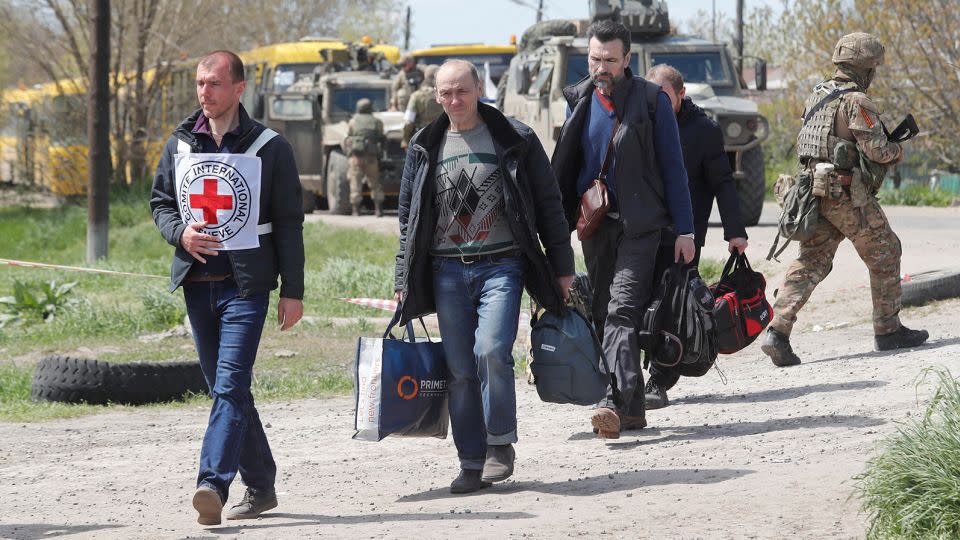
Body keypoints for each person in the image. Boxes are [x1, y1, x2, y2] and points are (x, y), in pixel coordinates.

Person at [394, 59, 574, 493]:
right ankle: (470, 462)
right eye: (445, 93)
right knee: (458, 369)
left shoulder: (515, 138)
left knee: (492, 350)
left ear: (479, 90)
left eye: (462, 91)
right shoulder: (424, 145)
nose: (454, 101)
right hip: (446, 269)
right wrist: (403, 277)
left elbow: (549, 204)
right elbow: (408, 218)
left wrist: (562, 265)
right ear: (436, 96)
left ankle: (499, 445)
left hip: (502, 264)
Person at [150, 50, 305, 526]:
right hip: (198, 285)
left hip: (247, 287)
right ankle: (260, 484)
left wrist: (293, 291)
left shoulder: (269, 146)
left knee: (230, 384)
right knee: (227, 389)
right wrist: (180, 234)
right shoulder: (180, 143)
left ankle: (212, 484)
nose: (205, 92)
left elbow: (288, 223)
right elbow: (160, 203)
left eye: (214, 84)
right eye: (200, 83)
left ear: (239, 89)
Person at [551, 20, 695, 439]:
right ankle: (632, 411)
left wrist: (685, 229)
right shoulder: (578, 99)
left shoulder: (652, 102)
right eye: (594, 59)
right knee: (601, 311)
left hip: (641, 227)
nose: (601, 67)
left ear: (628, 60)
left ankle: (611, 399)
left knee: (622, 310)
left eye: (610, 60)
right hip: (595, 225)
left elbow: (674, 169)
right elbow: (567, 165)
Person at [761, 32, 928, 367]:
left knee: (811, 261)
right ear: (865, 68)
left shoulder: (817, 95)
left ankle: (777, 331)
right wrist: (897, 151)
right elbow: (877, 150)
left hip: (813, 193)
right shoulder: (857, 101)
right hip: (846, 196)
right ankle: (888, 329)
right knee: (885, 251)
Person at [643, 63, 749, 409]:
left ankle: (659, 380)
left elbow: (723, 183)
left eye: (665, 97)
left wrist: (735, 231)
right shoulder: (639, 121)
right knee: (637, 305)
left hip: (684, 237)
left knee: (673, 308)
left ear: (681, 95)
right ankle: (623, 377)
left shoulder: (704, 130)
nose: (657, 103)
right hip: (642, 233)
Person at [345, 98, 385, 217]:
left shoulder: (353, 121)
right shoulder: (377, 121)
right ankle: (378, 210)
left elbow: (348, 138)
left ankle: (356, 210)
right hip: (372, 157)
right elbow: (381, 137)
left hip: (356, 157)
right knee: (375, 183)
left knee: (355, 183)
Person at [402, 64, 443, 149]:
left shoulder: (417, 96)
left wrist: (405, 140)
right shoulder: (446, 95)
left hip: (422, 138)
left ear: (425, 76)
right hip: (444, 137)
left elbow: (408, 122)